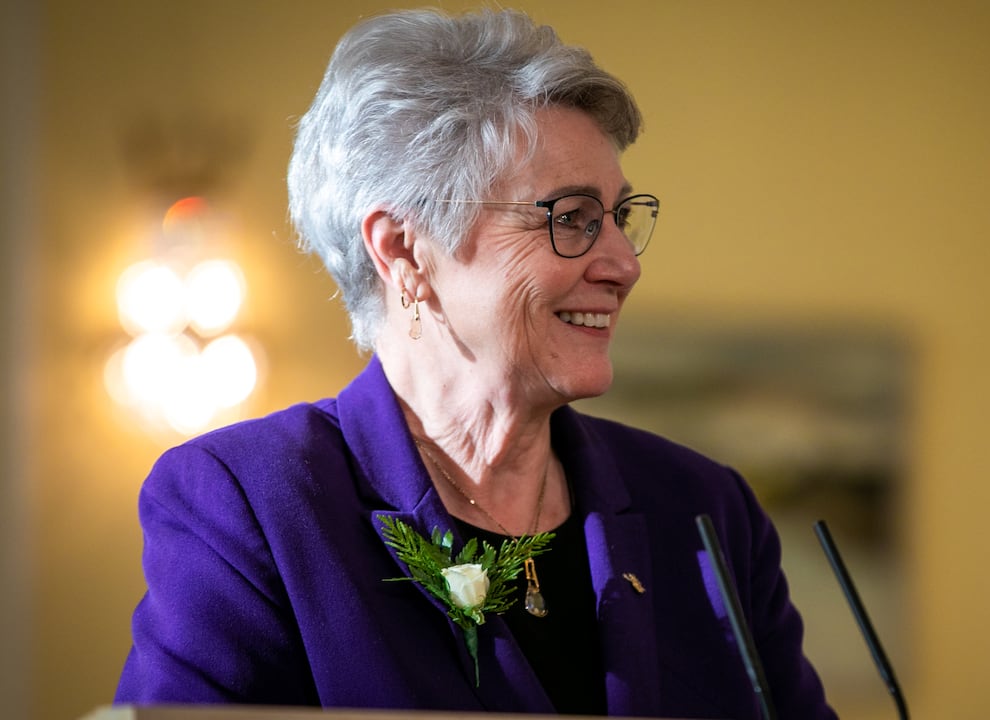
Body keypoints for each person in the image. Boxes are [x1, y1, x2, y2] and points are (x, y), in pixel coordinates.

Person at [115, 8, 836, 718]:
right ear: (402, 248)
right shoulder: (251, 505)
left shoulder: (703, 507)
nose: (622, 263)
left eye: (619, 217)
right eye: (572, 218)